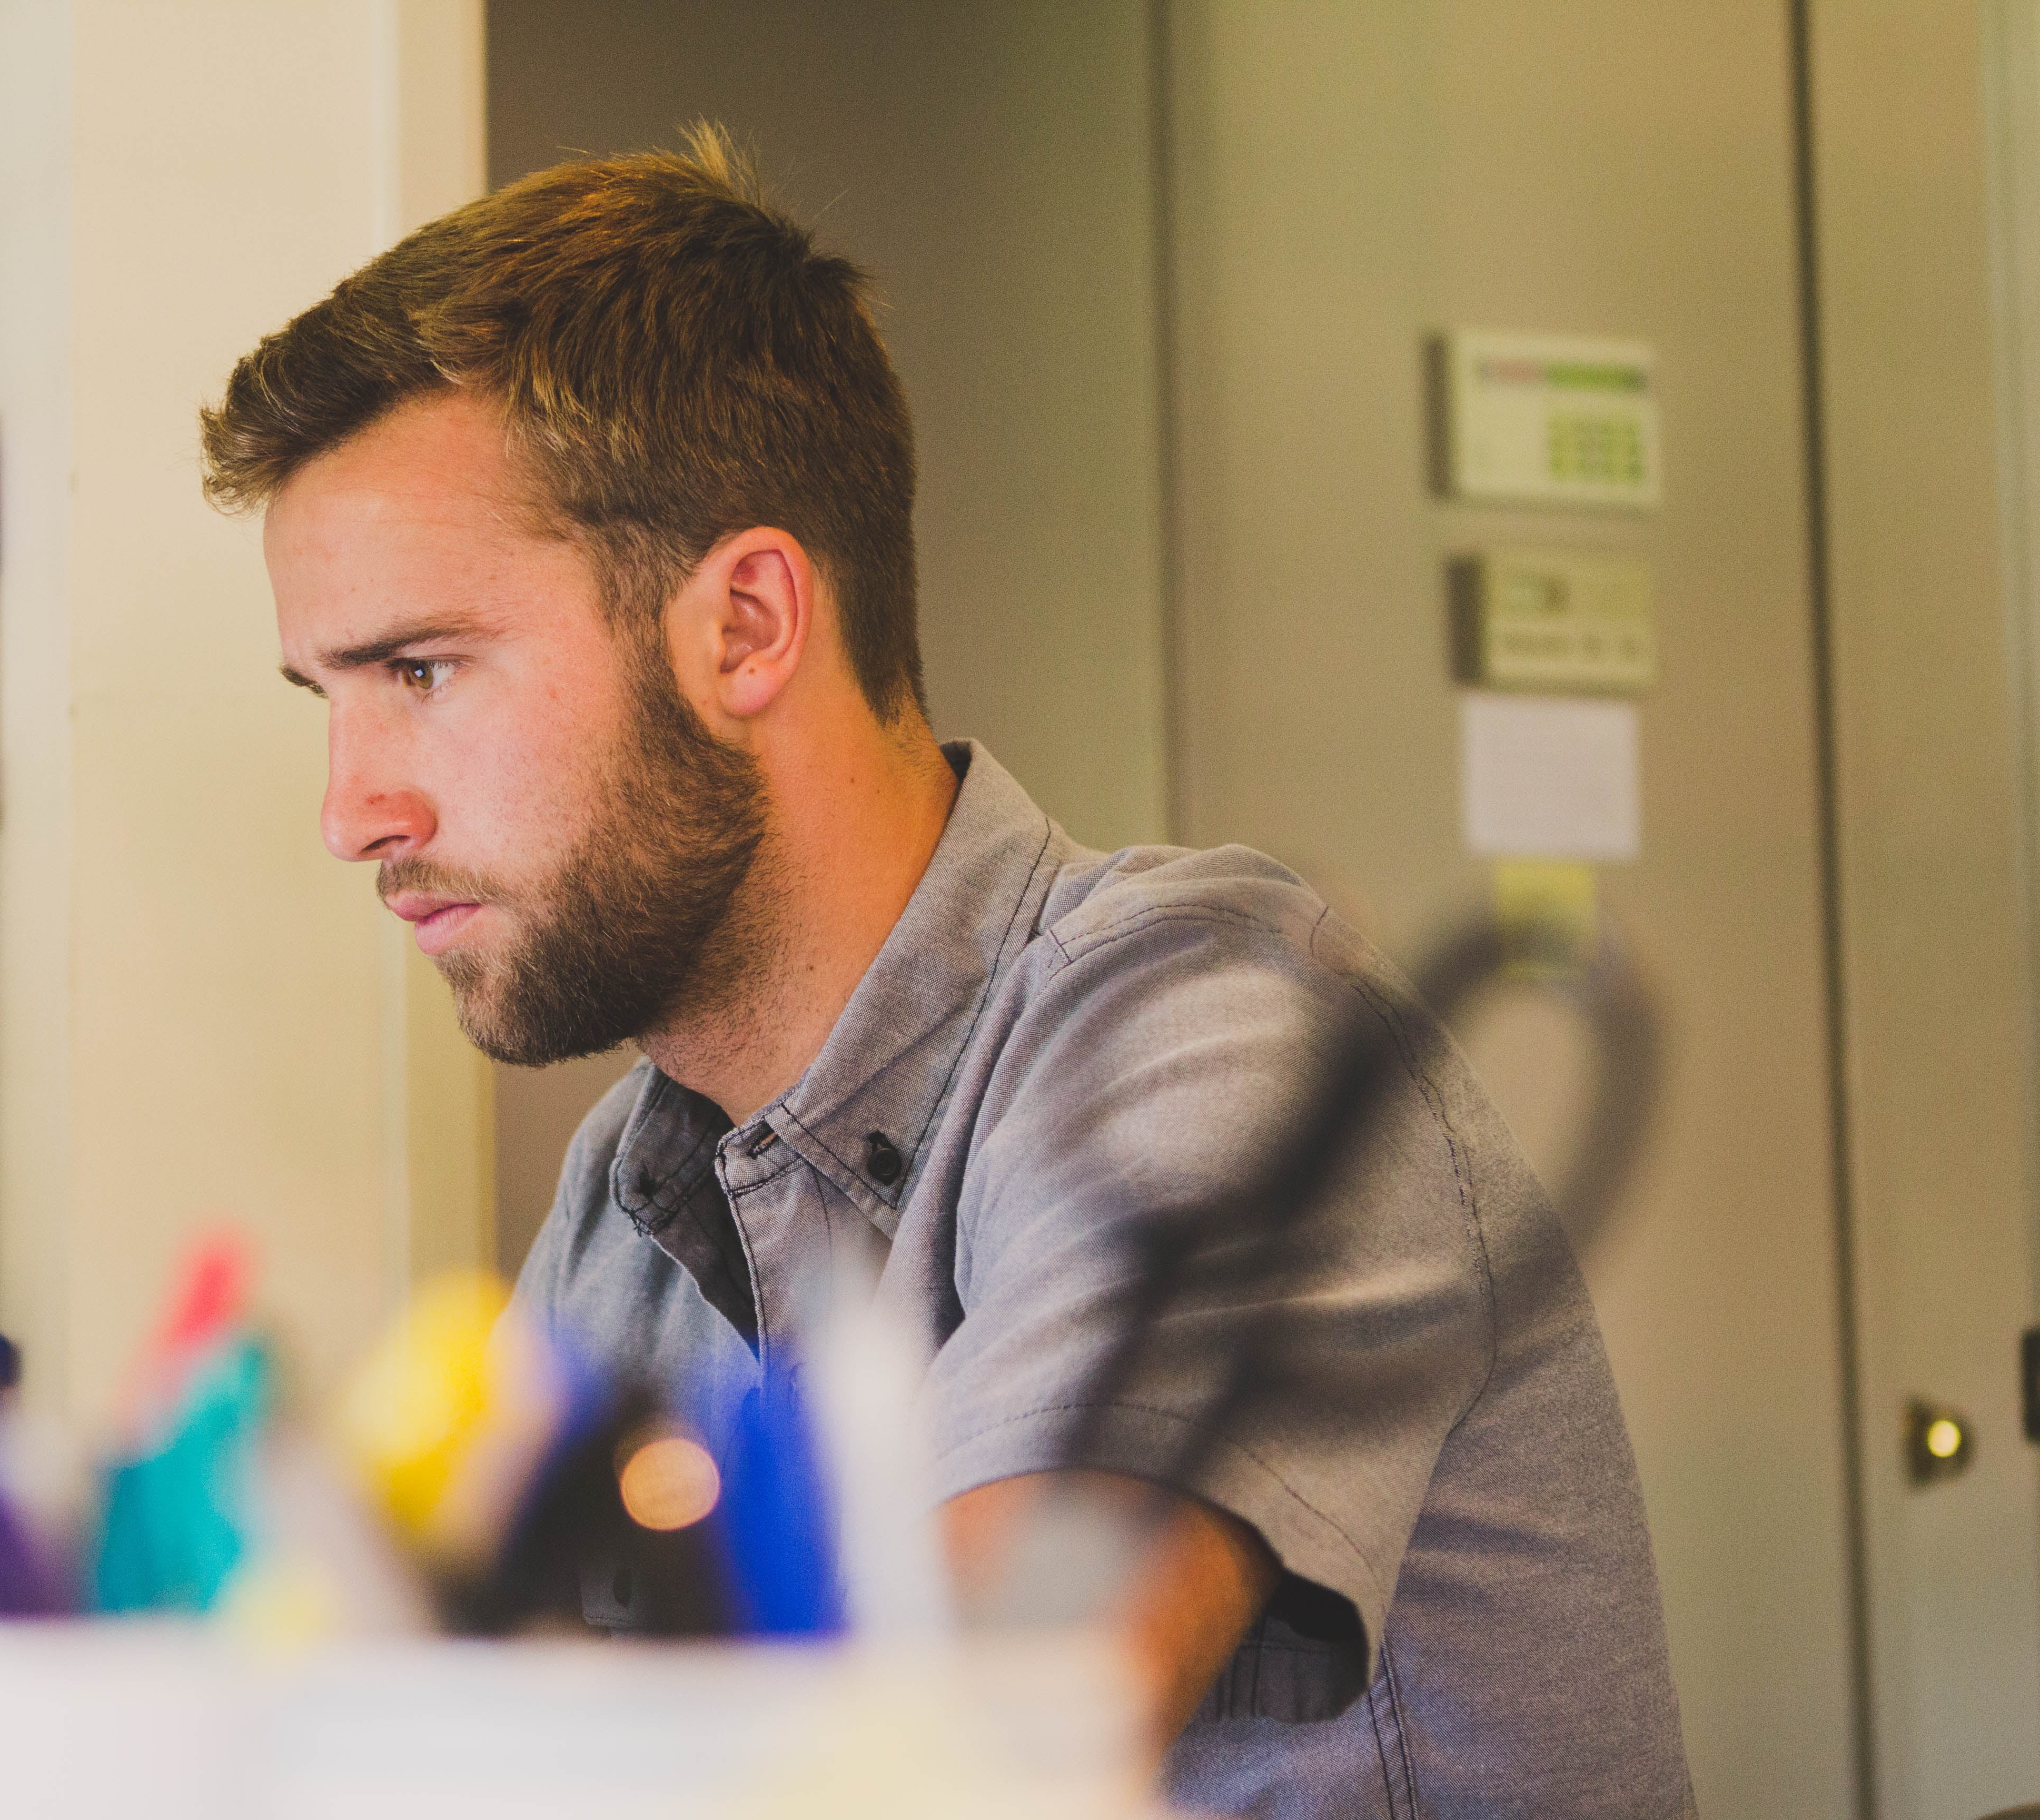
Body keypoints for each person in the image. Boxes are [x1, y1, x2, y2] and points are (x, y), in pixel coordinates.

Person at [203, 131, 1691, 1817]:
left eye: (420, 669)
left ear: (748, 626)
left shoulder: (1218, 1028)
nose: (352, 811)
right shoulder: (628, 1204)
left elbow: (975, 1751)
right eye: (326, 698)